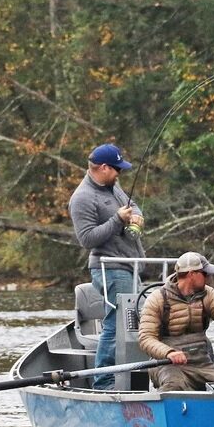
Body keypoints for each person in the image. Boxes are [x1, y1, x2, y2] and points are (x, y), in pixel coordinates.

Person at [68, 143, 145, 389]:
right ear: (103, 168)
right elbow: (87, 239)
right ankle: (103, 381)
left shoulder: (113, 186)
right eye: (116, 169)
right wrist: (117, 220)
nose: (120, 174)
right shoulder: (82, 198)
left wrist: (135, 217)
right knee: (117, 323)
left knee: (137, 319)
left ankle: (137, 375)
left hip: (129, 266)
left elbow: (131, 206)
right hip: (108, 268)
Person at [138, 252, 214, 392]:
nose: (210, 278)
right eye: (205, 274)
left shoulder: (208, 294)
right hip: (167, 365)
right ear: (192, 274)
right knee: (174, 388)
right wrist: (168, 353)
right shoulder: (157, 299)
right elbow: (146, 338)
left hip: (202, 363)